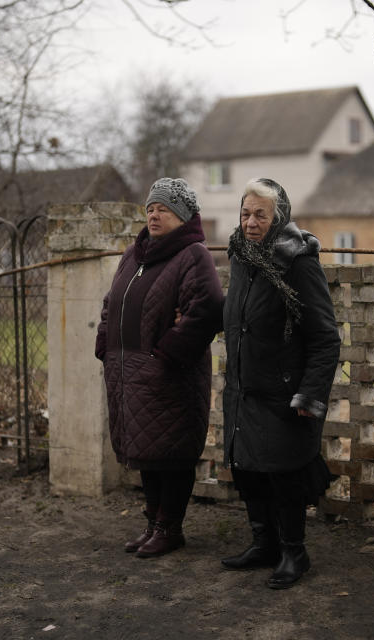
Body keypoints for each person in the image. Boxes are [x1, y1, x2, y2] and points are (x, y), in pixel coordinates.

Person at [220, 178, 340, 589]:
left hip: (281, 389)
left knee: (284, 474)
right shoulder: (240, 255)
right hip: (243, 386)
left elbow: (325, 335)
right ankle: (264, 544)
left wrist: (310, 392)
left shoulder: (298, 260)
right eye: (245, 213)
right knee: (248, 470)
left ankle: (294, 551)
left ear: (279, 218)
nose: (250, 222)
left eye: (260, 215)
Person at [95, 177, 224, 558]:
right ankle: (152, 524)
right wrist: (105, 342)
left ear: (182, 215)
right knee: (146, 450)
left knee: (173, 452)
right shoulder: (133, 255)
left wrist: (166, 354)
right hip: (129, 374)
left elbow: (207, 309)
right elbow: (110, 303)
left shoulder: (192, 255)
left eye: (163, 208)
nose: (154, 214)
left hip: (170, 374)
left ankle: (170, 527)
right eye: (150, 208)